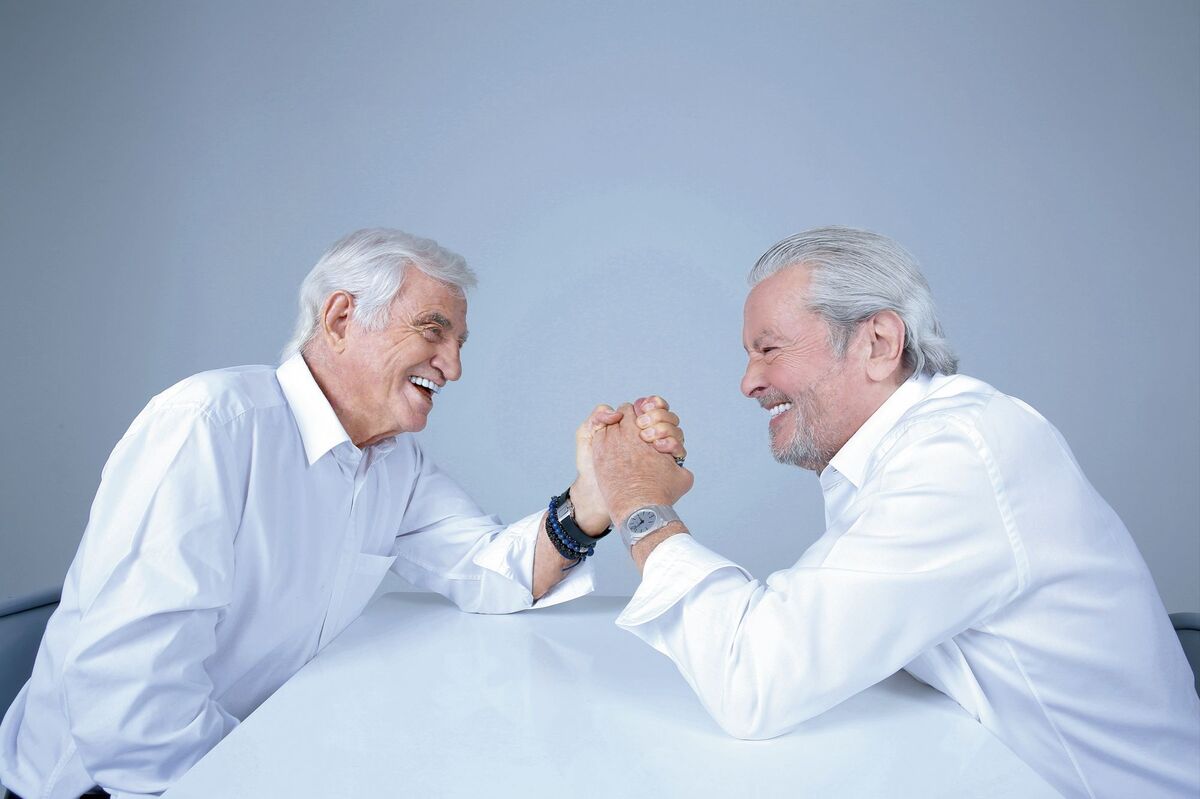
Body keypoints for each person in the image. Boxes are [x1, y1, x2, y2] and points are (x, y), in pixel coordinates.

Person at [0, 228, 686, 799]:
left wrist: (594, 496)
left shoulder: (391, 462)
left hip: (236, 762)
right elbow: (131, 715)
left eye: (459, 343)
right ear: (338, 320)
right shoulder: (210, 426)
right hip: (107, 787)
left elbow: (489, 571)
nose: (452, 366)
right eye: (433, 331)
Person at [588, 226, 1200, 799]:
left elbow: (754, 679)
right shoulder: (898, 452)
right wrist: (608, 494)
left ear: (879, 343)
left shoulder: (959, 454)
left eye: (769, 349)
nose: (749, 382)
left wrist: (639, 503)